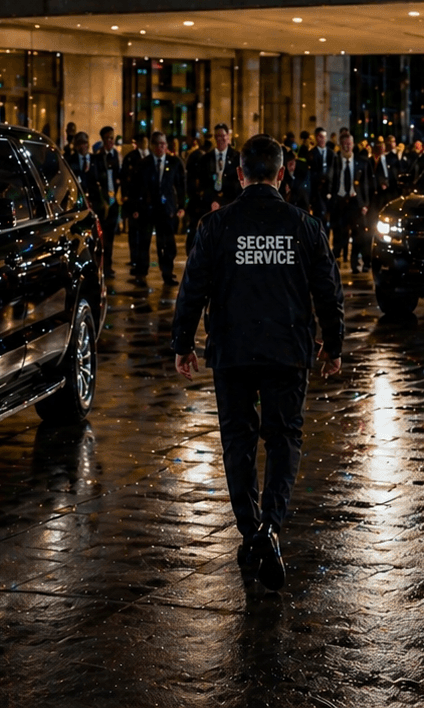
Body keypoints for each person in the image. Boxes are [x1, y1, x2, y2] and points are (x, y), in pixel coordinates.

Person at [172, 134, 344, 592]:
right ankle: (271, 526)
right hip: (287, 350)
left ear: (239, 174)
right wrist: (334, 345)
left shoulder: (216, 226)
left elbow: (193, 289)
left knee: (238, 441)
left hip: (232, 350)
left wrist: (182, 342)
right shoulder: (304, 226)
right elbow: (328, 290)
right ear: (282, 174)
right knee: (285, 437)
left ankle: (252, 531)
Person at [124, 130, 186, 284]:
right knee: (144, 242)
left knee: (166, 243)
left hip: (166, 209)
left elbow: (180, 186)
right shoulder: (143, 164)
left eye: (163, 144)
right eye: (157, 144)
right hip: (147, 208)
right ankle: (141, 272)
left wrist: (181, 206)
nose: (160, 147)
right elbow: (135, 188)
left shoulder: (174, 162)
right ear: (152, 146)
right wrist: (134, 208)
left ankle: (167, 273)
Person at [326, 130, 371, 271]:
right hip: (340, 202)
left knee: (359, 235)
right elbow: (330, 181)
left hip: (355, 203)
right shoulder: (335, 161)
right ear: (340, 145)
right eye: (344, 144)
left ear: (353, 145)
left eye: (349, 144)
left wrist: (365, 204)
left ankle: (355, 264)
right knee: (340, 235)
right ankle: (333, 260)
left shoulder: (360, 162)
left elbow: (365, 185)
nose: (347, 147)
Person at [190, 124, 242, 220]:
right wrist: (213, 200)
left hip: (231, 205)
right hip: (210, 206)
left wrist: (222, 201)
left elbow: (238, 183)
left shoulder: (237, 158)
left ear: (228, 136)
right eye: (217, 136)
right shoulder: (206, 159)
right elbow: (202, 183)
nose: (219, 139)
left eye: (222, 136)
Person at [92, 126, 124, 275]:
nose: (110, 141)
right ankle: (100, 264)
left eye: (112, 138)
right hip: (102, 202)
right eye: (107, 138)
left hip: (113, 201)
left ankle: (108, 265)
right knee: (101, 237)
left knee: (110, 236)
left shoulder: (116, 156)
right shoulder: (99, 157)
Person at [304, 127, 333, 220]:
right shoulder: (311, 153)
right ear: (316, 138)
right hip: (317, 190)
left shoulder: (331, 154)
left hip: (329, 189)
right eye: (320, 137)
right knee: (319, 216)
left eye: (324, 136)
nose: (322, 139)